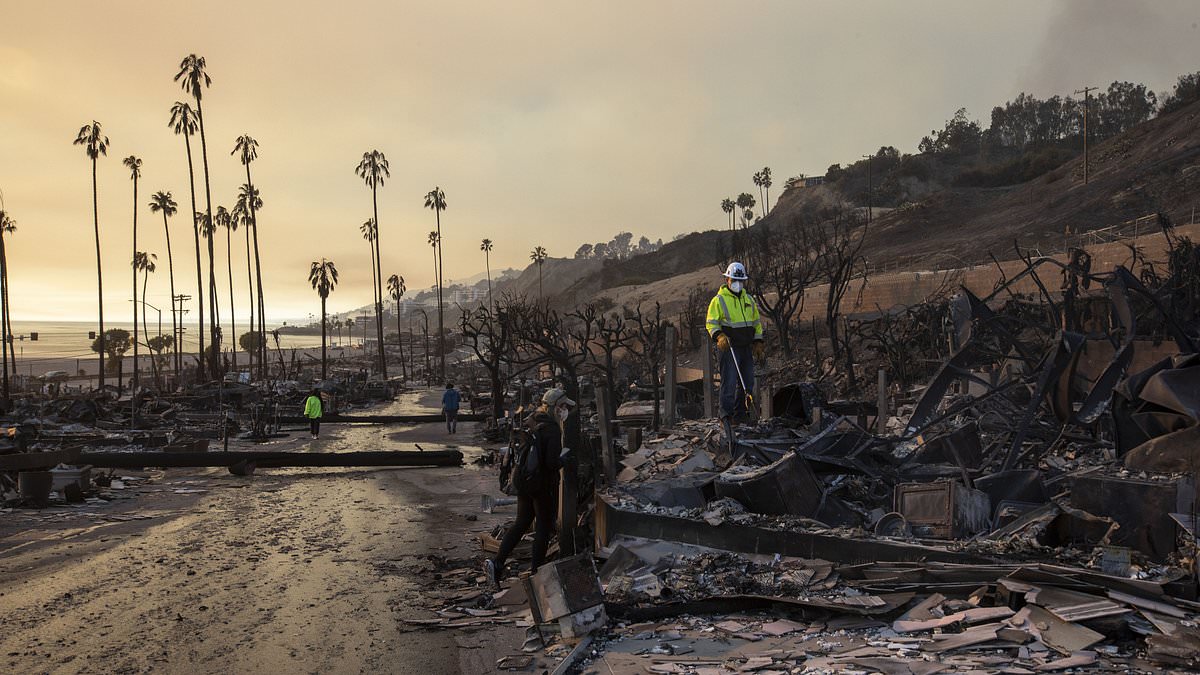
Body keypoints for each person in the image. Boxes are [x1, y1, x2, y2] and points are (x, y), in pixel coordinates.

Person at [485, 387, 575, 586]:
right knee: (543, 527)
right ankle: (536, 573)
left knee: (521, 523)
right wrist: (565, 459)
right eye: (562, 406)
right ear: (554, 407)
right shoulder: (551, 428)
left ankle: (498, 563)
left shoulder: (532, 421)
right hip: (541, 484)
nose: (565, 410)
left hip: (525, 481)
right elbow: (551, 463)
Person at [706, 261, 765, 420]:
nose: (737, 284)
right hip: (729, 348)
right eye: (734, 280)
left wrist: (758, 342)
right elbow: (711, 323)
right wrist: (719, 336)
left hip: (745, 348)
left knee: (747, 384)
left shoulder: (749, 300)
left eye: (740, 281)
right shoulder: (719, 300)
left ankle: (740, 416)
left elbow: (756, 323)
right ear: (727, 280)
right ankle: (726, 417)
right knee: (729, 384)